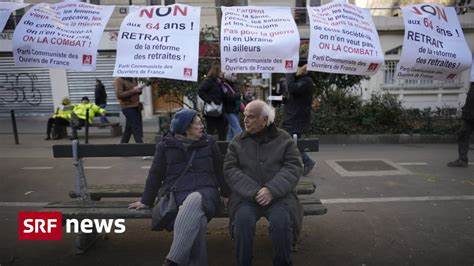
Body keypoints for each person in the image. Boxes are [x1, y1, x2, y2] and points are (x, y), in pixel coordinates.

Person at [129, 109, 230, 266]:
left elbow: (219, 170)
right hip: (177, 193)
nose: (202, 126)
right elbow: (156, 173)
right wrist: (146, 200)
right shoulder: (166, 145)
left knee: (195, 198)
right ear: (185, 128)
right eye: (197, 123)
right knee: (199, 221)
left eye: (201, 122)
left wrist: (226, 193)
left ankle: (173, 260)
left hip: (206, 191)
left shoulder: (209, 142)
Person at [224, 100, 303, 266]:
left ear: (265, 120)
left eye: (251, 117)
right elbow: (230, 169)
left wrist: (271, 190)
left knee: (281, 223)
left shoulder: (284, 139)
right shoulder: (238, 141)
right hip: (246, 199)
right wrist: (254, 191)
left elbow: (293, 166)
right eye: (244, 116)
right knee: (242, 222)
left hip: (279, 198)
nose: (245, 120)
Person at [281, 63, 316, 176]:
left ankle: (307, 162)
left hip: (297, 118)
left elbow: (292, 88)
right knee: (290, 142)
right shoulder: (300, 80)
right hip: (292, 117)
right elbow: (293, 95)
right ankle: (296, 164)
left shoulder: (306, 81)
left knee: (291, 142)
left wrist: (289, 74)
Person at [448, 82, 474, 167]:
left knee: (463, 135)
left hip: (470, 116)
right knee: (462, 135)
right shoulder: (472, 86)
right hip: (469, 116)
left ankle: (462, 159)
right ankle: (462, 159)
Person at [198, 63, 227, 141]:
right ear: (217, 72)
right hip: (211, 110)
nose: (223, 73)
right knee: (210, 130)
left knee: (222, 130)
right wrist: (210, 100)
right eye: (221, 71)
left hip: (220, 110)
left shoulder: (220, 82)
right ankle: (207, 146)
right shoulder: (209, 81)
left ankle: (222, 149)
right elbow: (200, 91)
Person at [114, 77, 145, 143]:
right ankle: (141, 146)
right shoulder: (119, 80)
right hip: (127, 106)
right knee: (135, 127)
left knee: (129, 128)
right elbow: (119, 95)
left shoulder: (133, 78)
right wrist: (134, 90)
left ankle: (122, 145)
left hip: (136, 106)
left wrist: (139, 89)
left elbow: (137, 92)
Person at [222, 72, 243, 141]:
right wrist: (237, 95)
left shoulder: (233, 85)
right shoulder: (224, 85)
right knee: (237, 129)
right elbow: (227, 97)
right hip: (229, 110)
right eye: (234, 75)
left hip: (235, 110)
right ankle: (241, 145)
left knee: (231, 131)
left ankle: (227, 146)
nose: (235, 77)